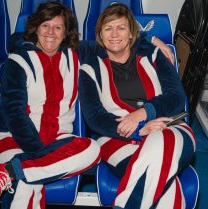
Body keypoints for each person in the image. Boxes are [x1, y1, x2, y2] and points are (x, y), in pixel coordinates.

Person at [78, 3, 196, 209]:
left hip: (168, 125)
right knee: (166, 184)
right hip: (116, 136)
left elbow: (177, 97)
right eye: (108, 28)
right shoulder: (89, 66)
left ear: (132, 33)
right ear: (99, 34)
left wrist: (143, 113)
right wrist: (139, 130)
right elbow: (95, 117)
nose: (114, 34)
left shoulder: (153, 55)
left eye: (121, 28)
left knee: (162, 142)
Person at [0, 3, 101, 208]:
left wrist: (151, 40)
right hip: (14, 137)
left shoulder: (75, 54)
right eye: (45, 25)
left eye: (58, 27)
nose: (50, 33)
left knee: (93, 149)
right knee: (28, 185)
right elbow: (14, 113)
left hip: (57, 138)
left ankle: (9, 170)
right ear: (36, 27)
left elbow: (115, 42)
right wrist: (37, 152)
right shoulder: (18, 60)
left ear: (66, 32)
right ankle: (20, 170)